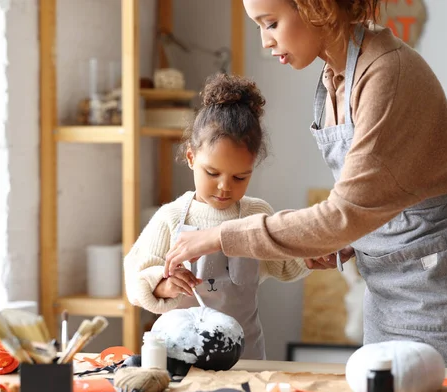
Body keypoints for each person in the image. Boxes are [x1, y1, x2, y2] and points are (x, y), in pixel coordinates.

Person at [163, 0, 447, 368]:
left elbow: (345, 211)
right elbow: (378, 194)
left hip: (440, 290)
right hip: (386, 290)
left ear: (317, 7)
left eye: (271, 23)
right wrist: (344, 239)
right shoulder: (334, 75)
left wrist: (221, 236)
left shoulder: (386, 74)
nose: (265, 41)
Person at [124, 73, 310, 361]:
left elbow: (285, 265)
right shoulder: (171, 217)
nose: (225, 186)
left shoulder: (255, 213)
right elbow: (135, 284)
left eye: (240, 176)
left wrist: (312, 254)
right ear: (190, 158)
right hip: (179, 358)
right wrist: (162, 284)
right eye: (212, 173)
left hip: (245, 357)